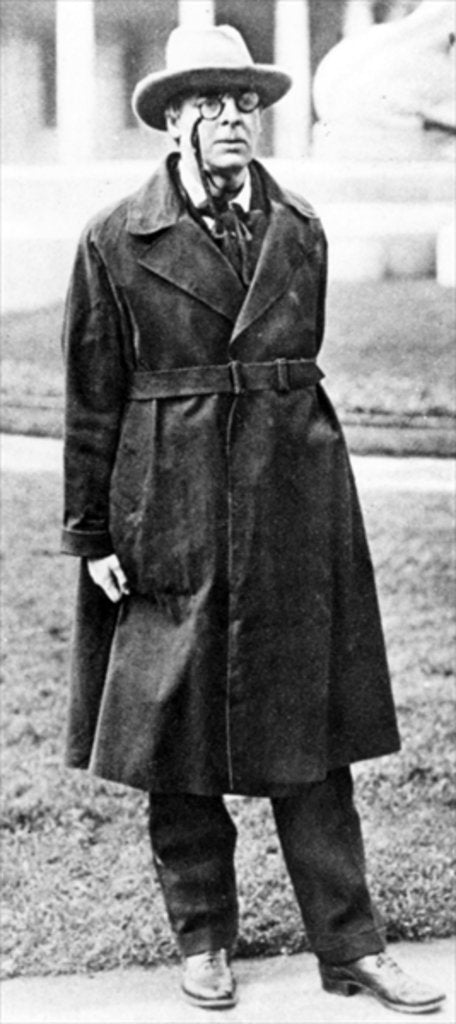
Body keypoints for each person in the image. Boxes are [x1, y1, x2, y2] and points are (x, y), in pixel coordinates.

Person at [61, 24, 445, 1015]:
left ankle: (352, 944)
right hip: (168, 494)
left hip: (290, 493)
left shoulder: (299, 226)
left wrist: (310, 487)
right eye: (211, 102)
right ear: (178, 119)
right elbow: (93, 392)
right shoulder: (115, 239)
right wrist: (93, 530)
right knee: (174, 735)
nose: (234, 119)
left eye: (244, 102)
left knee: (312, 734)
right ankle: (203, 939)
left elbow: (293, 359)